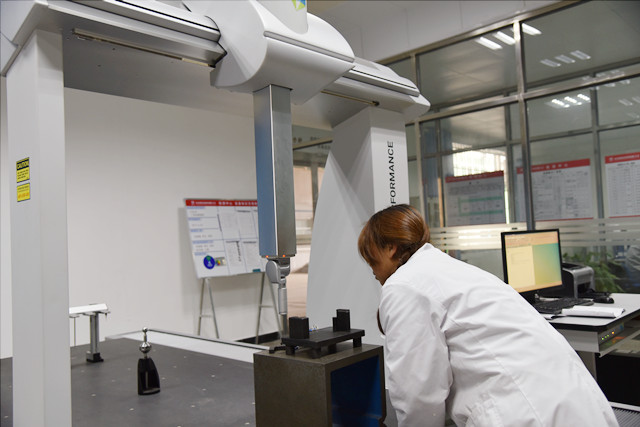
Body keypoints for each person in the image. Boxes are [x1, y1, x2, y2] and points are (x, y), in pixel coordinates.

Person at [358, 204, 618, 427]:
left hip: (525, 412)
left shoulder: (404, 285)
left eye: (371, 258)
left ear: (390, 248)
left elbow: (417, 395)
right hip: (576, 402)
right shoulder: (453, 270)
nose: (371, 270)